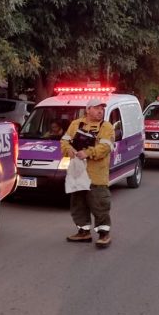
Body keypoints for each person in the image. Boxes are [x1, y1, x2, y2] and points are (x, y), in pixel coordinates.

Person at [60, 98, 114, 248]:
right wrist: (68, 150)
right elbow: (64, 141)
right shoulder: (75, 124)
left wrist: (88, 153)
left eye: (102, 109)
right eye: (97, 108)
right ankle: (83, 232)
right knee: (78, 205)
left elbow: (105, 147)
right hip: (77, 174)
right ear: (88, 109)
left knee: (99, 205)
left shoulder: (106, 127)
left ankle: (104, 234)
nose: (100, 111)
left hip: (96, 175)